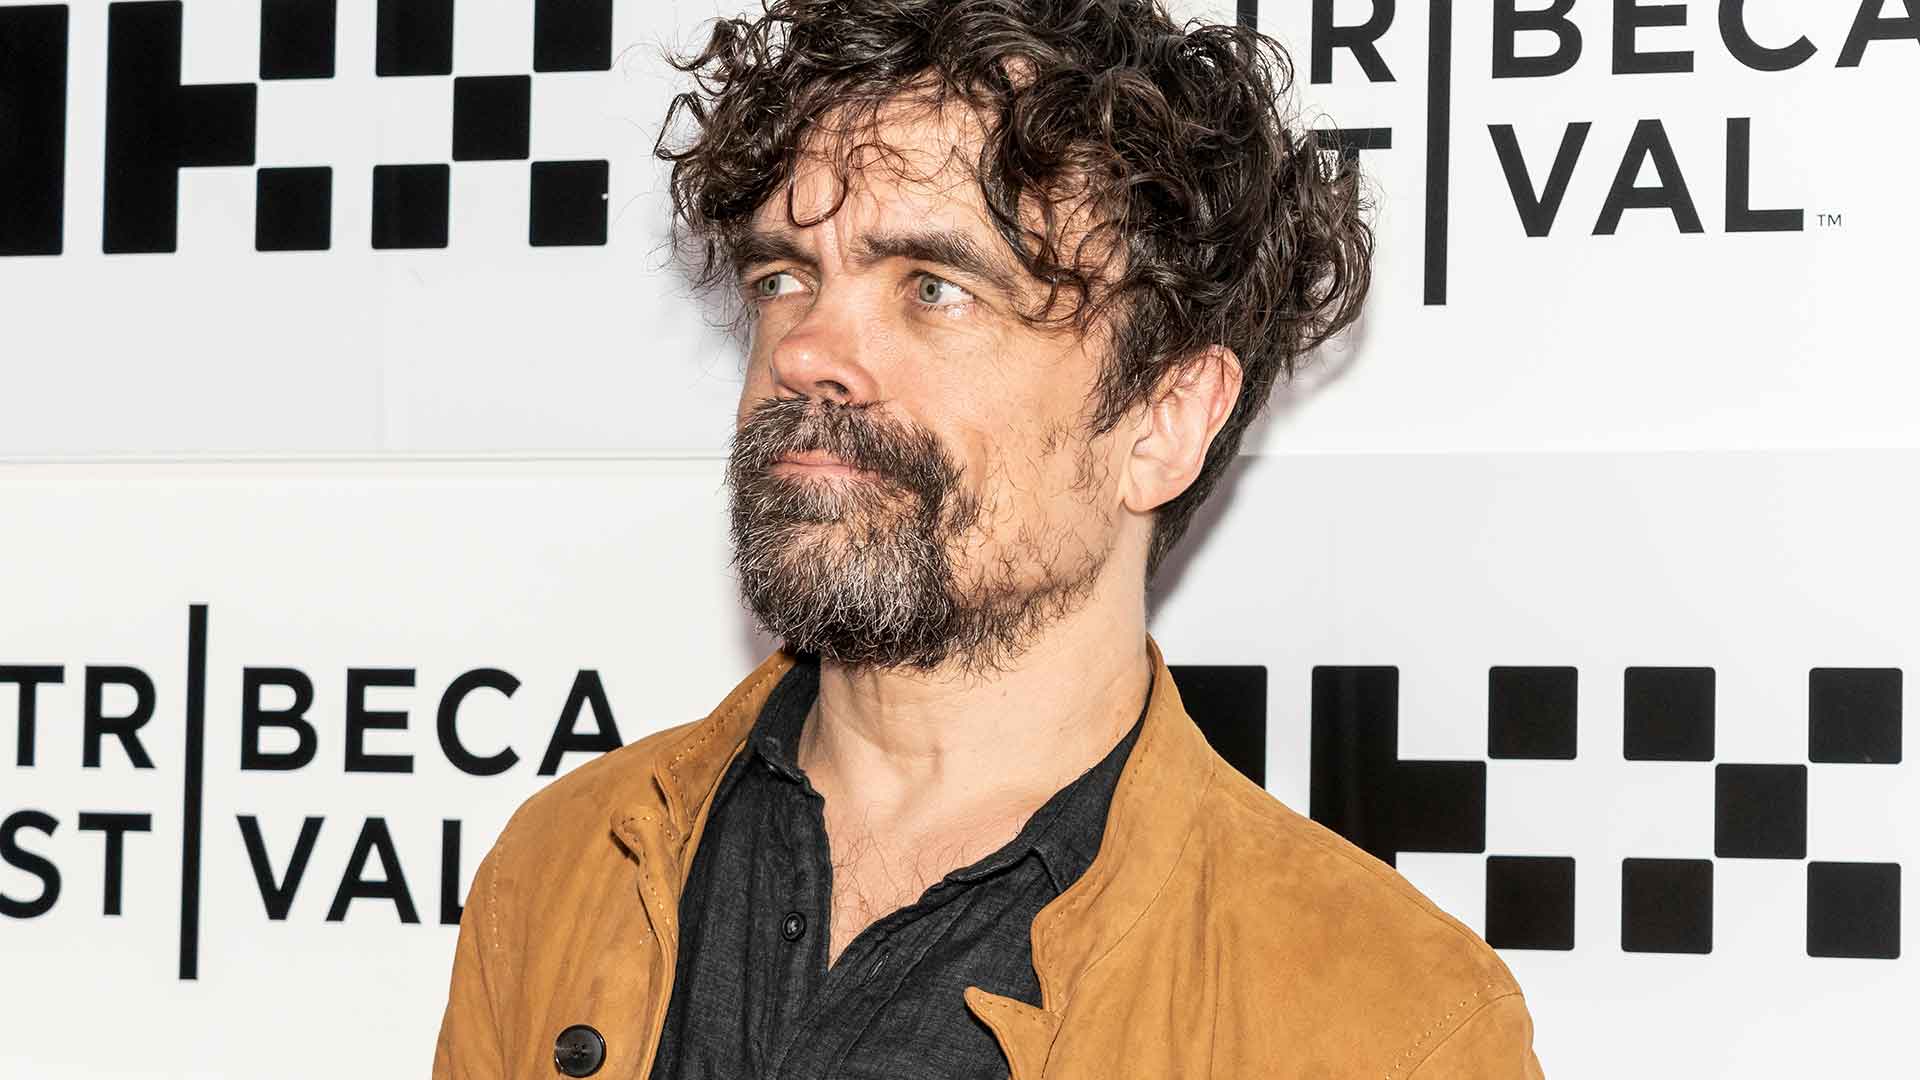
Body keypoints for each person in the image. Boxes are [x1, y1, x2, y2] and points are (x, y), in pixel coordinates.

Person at [433, 1, 1544, 1076]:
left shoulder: (1391, 1027)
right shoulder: (571, 865)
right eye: (784, 278)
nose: (805, 350)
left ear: (1164, 419)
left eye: (935, 288)